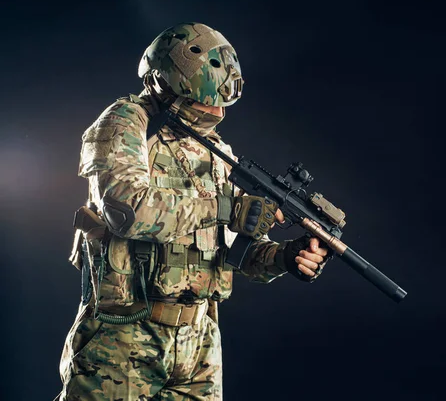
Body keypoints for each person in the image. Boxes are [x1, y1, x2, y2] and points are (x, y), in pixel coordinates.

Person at [57, 22, 329, 401]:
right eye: (206, 99)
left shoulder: (215, 151)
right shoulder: (128, 122)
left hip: (199, 342)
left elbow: (239, 253)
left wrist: (286, 256)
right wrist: (227, 208)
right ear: (170, 87)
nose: (216, 110)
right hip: (125, 335)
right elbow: (129, 210)